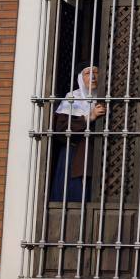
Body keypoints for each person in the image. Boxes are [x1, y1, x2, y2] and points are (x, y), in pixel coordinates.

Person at [50, 65, 105, 203]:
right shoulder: (72, 98)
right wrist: (89, 117)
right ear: (80, 78)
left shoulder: (106, 97)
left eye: (96, 72)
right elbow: (61, 129)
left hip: (100, 152)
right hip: (73, 154)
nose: (92, 76)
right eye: (87, 73)